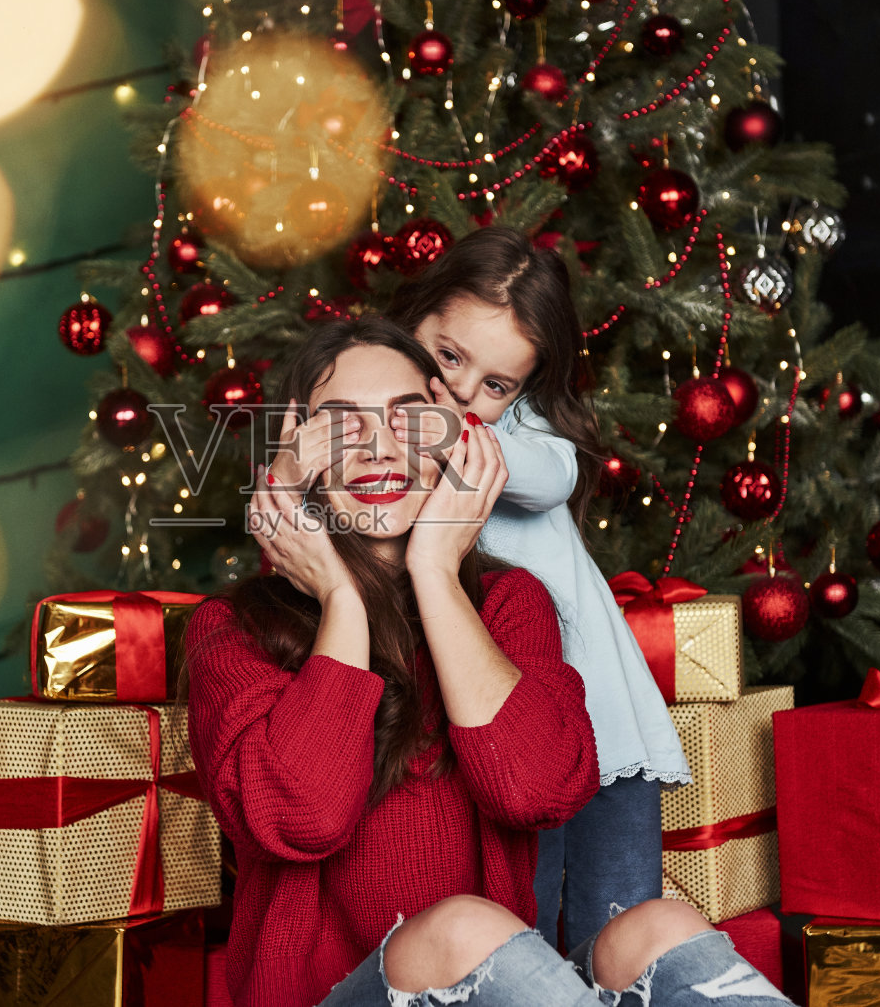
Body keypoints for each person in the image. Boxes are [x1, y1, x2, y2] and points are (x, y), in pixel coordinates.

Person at [184, 318, 788, 1007]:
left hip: (494, 986)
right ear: (296, 452)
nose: (380, 450)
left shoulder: (509, 603)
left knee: (654, 928)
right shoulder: (231, 630)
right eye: (342, 427)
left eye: (410, 421)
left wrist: (436, 571)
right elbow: (304, 815)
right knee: (459, 930)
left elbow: (537, 793)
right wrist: (341, 601)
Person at [387, 225, 691, 951]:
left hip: (602, 723)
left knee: (621, 929)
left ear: (523, 390)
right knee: (523, 932)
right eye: (449, 355)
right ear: (415, 319)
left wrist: (450, 432)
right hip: (507, 732)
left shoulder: (523, 437)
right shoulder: (378, 424)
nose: (466, 392)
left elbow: (551, 475)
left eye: (496, 384)